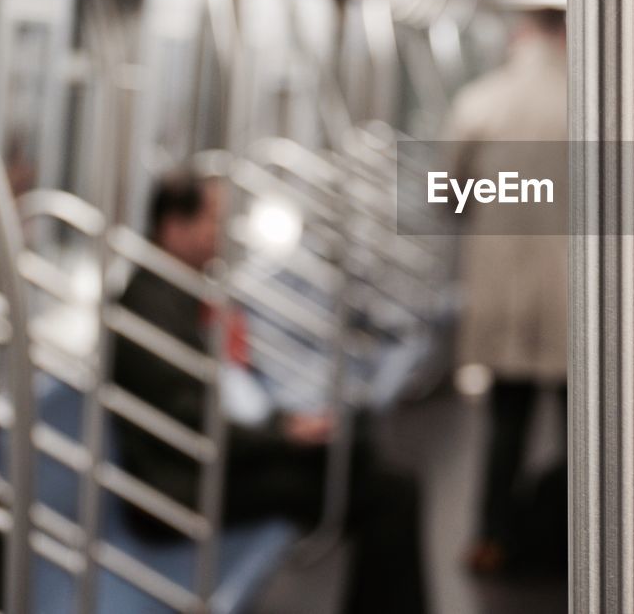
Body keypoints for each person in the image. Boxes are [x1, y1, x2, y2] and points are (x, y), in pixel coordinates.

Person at [112, 173, 429, 614]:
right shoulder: (148, 310)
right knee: (386, 490)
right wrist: (284, 436)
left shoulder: (178, 292)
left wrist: (283, 428)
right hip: (180, 487)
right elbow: (190, 422)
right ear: (174, 227)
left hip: (206, 462)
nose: (223, 232)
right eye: (211, 219)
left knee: (372, 470)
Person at [443, 8, 569, 575]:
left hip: (503, 290)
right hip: (576, 294)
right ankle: (576, 536)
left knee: (506, 423)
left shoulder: (480, 100)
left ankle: (493, 538)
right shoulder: (598, 104)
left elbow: (450, 192)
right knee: (582, 428)